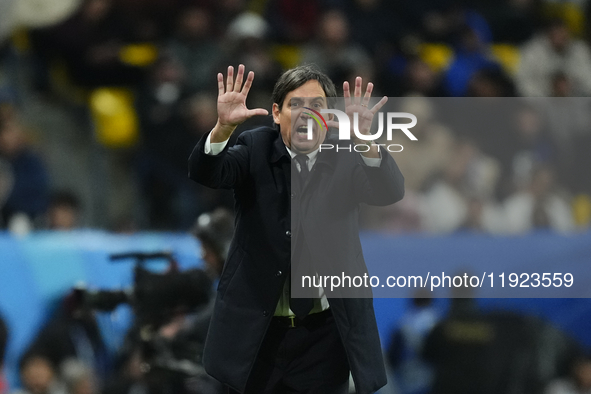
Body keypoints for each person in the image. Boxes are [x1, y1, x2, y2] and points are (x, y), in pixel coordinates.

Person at [188, 63, 404, 393]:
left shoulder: (347, 153)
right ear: (276, 113)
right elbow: (208, 173)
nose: (307, 114)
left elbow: (389, 190)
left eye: (317, 105)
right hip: (258, 334)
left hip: (323, 336)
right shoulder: (255, 147)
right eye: (296, 104)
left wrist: (366, 141)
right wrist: (221, 130)